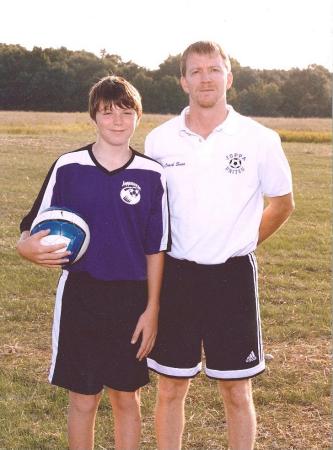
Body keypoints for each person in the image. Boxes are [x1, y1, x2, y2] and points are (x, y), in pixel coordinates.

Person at [144, 41, 294, 450]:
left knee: (236, 392)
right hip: (178, 275)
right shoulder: (160, 140)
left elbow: (283, 203)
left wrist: (244, 240)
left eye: (213, 69)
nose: (205, 77)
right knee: (171, 388)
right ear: (183, 81)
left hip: (232, 277)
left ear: (229, 77)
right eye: (196, 71)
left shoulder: (259, 138)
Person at [17, 75, 168, 450]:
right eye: (107, 112)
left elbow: (156, 247)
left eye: (126, 112)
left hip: (132, 300)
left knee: (126, 397)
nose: (117, 121)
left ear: (138, 117)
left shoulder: (152, 174)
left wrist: (152, 308)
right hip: (81, 295)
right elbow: (29, 229)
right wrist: (26, 249)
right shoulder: (68, 166)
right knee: (83, 399)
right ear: (94, 117)